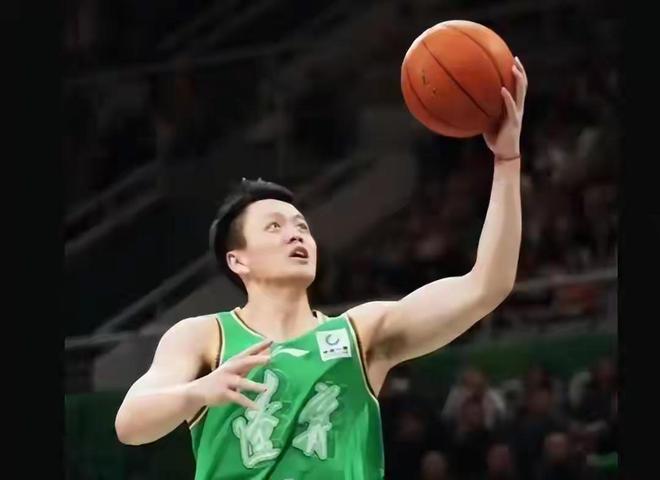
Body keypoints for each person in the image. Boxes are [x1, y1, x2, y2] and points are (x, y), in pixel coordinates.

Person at [114, 58, 528, 479]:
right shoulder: (205, 337)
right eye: (274, 227)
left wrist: (507, 161)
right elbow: (129, 425)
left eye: (302, 227)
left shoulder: (361, 334)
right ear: (238, 260)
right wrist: (197, 392)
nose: (295, 235)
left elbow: (487, 285)